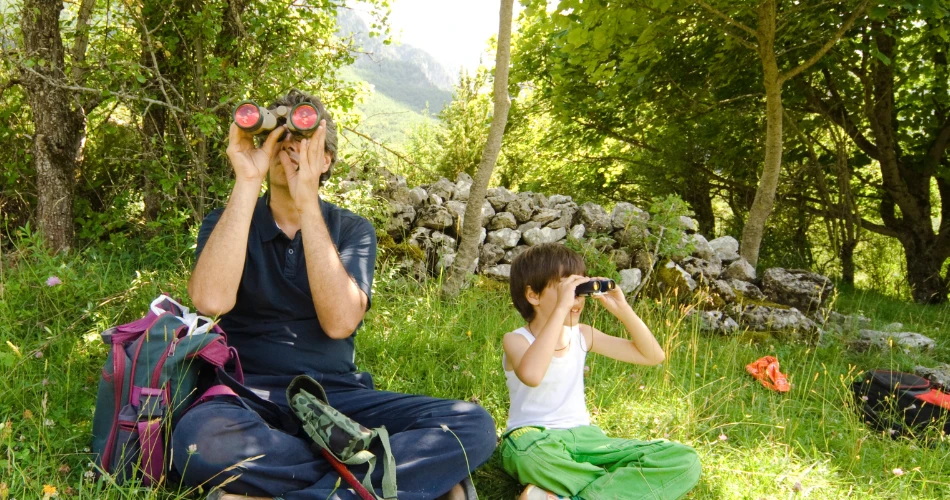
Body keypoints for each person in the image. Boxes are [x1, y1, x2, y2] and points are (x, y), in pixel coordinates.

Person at [173, 90, 496, 500]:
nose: (289, 147)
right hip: (245, 393)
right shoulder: (227, 221)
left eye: (303, 141)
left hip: (336, 398)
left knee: (473, 425)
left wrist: (307, 201)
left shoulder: (350, 229)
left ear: (325, 161)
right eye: (280, 138)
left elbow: (340, 321)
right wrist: (247, 180)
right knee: (198, 441)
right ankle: (382, 471)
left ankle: (290, 488)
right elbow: (210, 302)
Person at [500, 243, 701, 500]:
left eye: (579, 292)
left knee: (685, 460)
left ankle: (560, 495)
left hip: (587, 439)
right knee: (527, 458)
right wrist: (562, 307)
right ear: (533, 295)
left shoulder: (583, 334)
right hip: (534, 439)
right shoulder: (517, 339)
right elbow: (533, 375)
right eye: (568, 290)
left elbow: (652, 355)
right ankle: (608, 488)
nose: (577, 300)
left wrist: (623, 309)